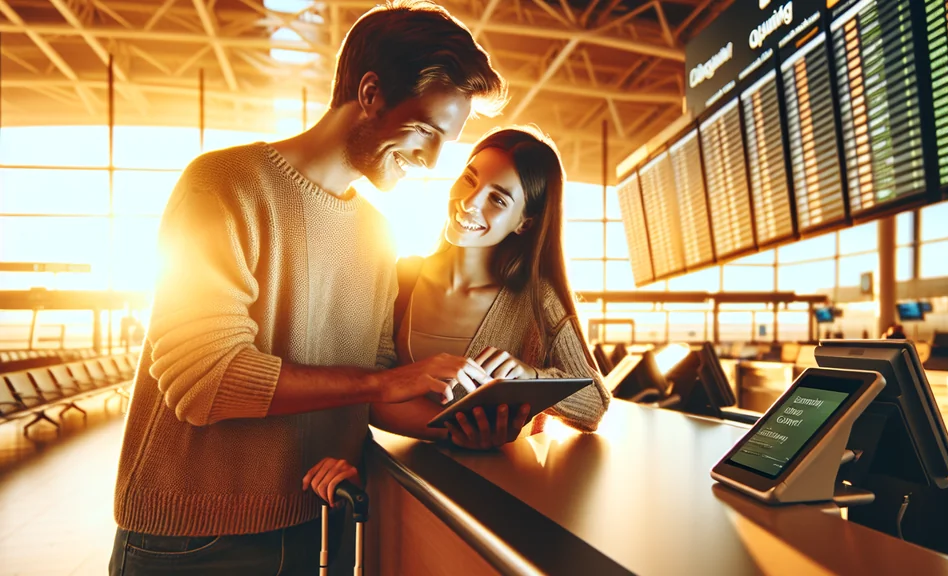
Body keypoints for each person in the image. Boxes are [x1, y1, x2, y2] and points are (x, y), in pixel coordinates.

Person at [107, 2, 507, 574]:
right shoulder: (222, 187)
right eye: (424, 129)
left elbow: (366, 390)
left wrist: (462, 426)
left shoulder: (377, 233)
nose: (432, 159)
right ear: (369, 94)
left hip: (318, 520)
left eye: (446, 140)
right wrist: (391, 379)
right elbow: (204, 381)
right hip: (196, 539)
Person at [304, 127, 611, 501]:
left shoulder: (536, 299)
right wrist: (453, 431)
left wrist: (530, 377)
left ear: (524, 223)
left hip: (499, 500)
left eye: (497, 199)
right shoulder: (398, 276)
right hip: (397, 490)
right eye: (469, 178)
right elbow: (368, 390)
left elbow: (595, 403)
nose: (470, 201)